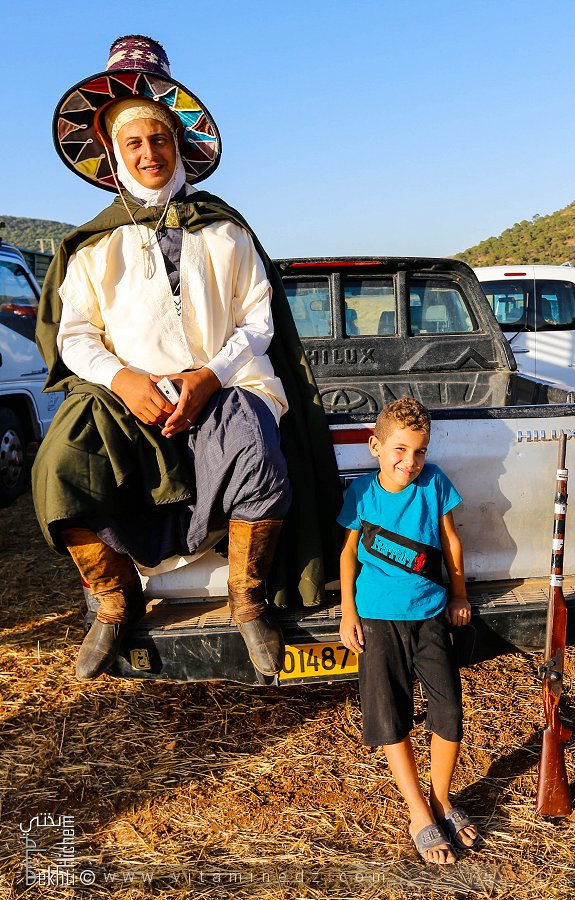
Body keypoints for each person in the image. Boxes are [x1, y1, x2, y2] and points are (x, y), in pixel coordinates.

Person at [33, 35, 341, 682]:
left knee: (260, 448)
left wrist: (209, 377)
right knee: (60, 467)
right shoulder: (91, 246)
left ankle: (247, 598)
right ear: (116, 155)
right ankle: (115, 601)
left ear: (179, 146)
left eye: (160, 139)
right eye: (135, 143)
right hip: (126, 391)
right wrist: (124, 379)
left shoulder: (225, 230)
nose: (150, 153)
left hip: (223, 381)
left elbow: (258, 320)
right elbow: (76, 336)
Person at [338, 397, 480, 864]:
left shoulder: (435, 482)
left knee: (450, 711)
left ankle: (442, 798)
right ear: (375, 446)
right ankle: (419, 812)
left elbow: (450, 540)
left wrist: (458, 595)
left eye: (419, 452)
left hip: (431, 615)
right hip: (378, 618)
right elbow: (347, 554)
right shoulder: (362, 494)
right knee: (391, 715)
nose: (410, 462)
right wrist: (348, 612)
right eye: (400, 450)